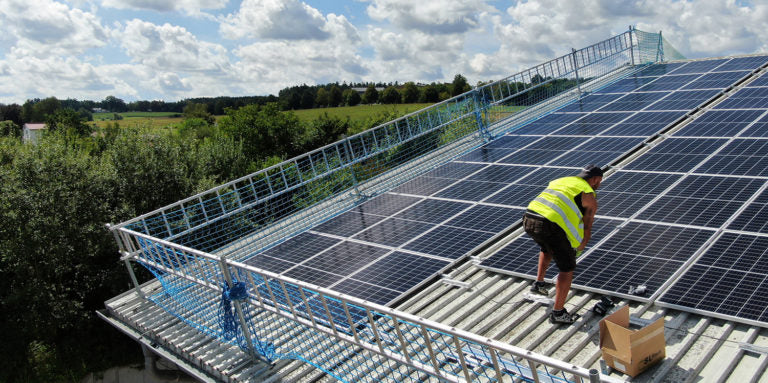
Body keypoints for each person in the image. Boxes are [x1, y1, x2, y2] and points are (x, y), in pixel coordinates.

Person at [523, 164, 603, 324]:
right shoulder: (588, 194)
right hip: (549, 223)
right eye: (599, 181)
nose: (599, 185)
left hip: (529, 217)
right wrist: (581, 245)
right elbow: (587, 227)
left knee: (546, 248)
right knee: (567, 268)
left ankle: (539, 283)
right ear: (594, 179)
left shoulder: (562, 181)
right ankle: (558, 313)